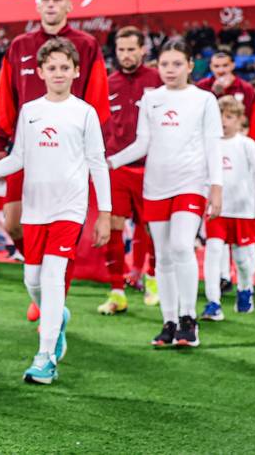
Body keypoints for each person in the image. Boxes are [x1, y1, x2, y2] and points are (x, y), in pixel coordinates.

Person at [0, 38, 110, 384]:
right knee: (33, 280)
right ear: (40, 72)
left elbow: (97, 163)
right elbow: (18, 158)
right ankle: (58, 318)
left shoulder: (85, 112)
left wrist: (104, 212)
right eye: (51, 68)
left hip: (69, 208)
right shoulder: (30, 111)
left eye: (64, 67)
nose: (58, 73)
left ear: (76, 71)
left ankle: (45, 358)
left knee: (54, 277)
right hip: (34, 210)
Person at [0, 0, 109, 320]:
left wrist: (89, 147)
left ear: (69, 6)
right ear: (37, 5)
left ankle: (54, 297)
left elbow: (97, 99)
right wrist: (2, 144)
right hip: (25, 151)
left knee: (64, 230)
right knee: (13, 224)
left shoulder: (86, 45)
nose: (50, 4)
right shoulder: (19, 46)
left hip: (67, 154)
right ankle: (44, 286)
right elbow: (5, 97)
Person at [109, 38, 222, 348]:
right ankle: (169, 322)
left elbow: (213, 146)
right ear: (157, 67)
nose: (170, 70)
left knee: (182, 246)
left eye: (176, 64)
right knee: (164, 256)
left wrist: (216, 187)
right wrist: (111, 160)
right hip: (155, 186)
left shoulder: (204, 100)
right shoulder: (151, 100)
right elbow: (142, 144)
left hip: (191, 184)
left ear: (189, 66)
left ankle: (189, 320)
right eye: (164, 64)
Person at [99, 26, 162, 316]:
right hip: (116, 166)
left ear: (143, 50)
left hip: (152, 166)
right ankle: (117, 291)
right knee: (113, 225)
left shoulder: (158, 80)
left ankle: (153, 279)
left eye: (131, 49)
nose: (126, 55)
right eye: (121, 49)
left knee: (152, 226)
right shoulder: (107, 82)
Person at [202, 97, 255, 320]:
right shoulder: (208, 143)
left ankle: (245, 289)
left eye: (229, 117)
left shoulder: (246, 144)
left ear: (240, 120)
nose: (223, 121)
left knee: (241, 259)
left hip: (242, 210)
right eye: (219, 116)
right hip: (217, 210)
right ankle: (213, 303)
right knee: (212, 253)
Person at [198, 48, 255, 142]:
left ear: (233, 65)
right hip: (208, 140)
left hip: (237, 141)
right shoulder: (201, 87)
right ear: (211, 67)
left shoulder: (246, 88)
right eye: (216, 66)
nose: (221, 70)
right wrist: (213, 93)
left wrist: (250, 143)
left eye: (225, 65)